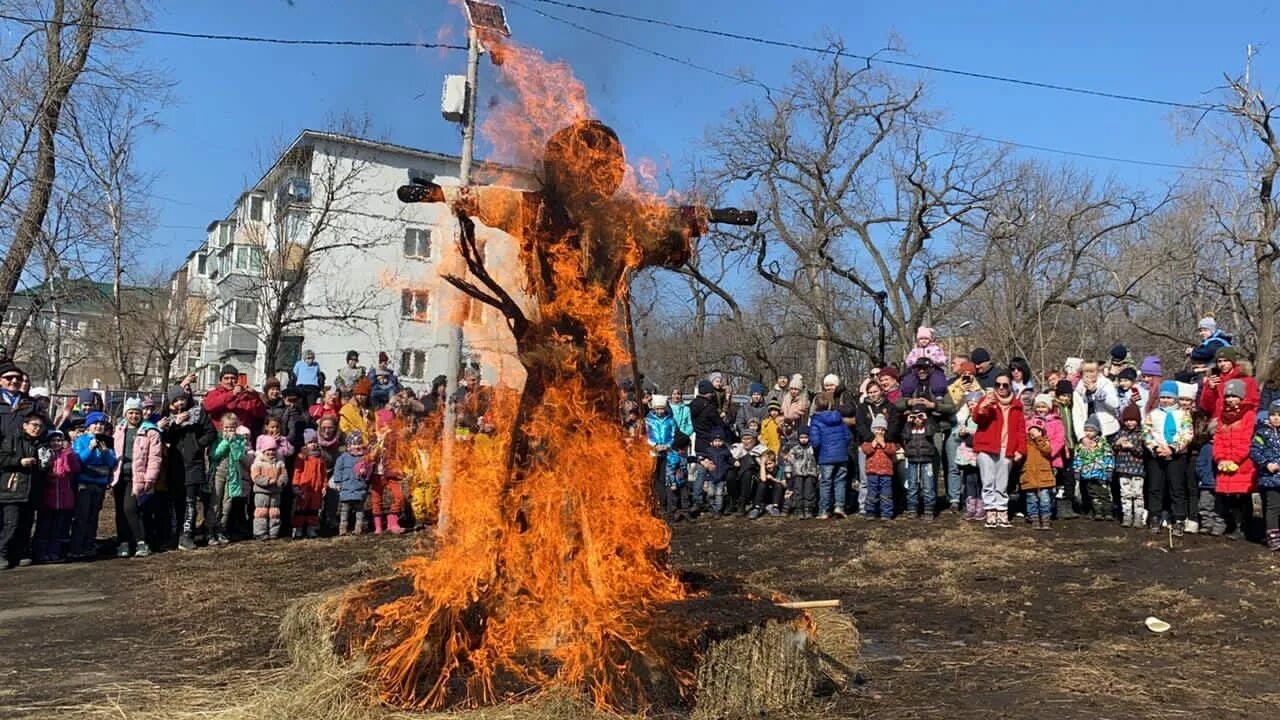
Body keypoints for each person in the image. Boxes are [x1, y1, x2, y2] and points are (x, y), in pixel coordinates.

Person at [160, 386, 217, 551]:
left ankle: (187, 535)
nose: (179, 403)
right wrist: (175, 425)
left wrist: (197, 445)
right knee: (175, 501)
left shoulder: (198, 413)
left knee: (190, 501)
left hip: (194, 464)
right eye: (175, 400)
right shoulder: (168, 417)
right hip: (175, 464)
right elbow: (163, 437)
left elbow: (211, 432)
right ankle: (174, 534)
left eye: (181, 399)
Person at [973, 373, 1026, 529]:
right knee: (988, 480)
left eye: (1005, 385)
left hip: (1006, 448)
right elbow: (978, 418)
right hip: (986, 447)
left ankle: (1002, 510)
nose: (1001, 388)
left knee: (1002, 483)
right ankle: (990, 511)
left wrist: (1021, 450)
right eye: (998, 385)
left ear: (1010, 386)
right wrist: (984, 406)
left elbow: (1021, 430)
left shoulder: (1017, 405)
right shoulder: (988, 401)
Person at [111, 398, 162, 558]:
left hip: (137, 475)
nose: (134, 416)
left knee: (130, 508)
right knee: (120, 511)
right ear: (126, 414)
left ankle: (141, 541)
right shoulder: (119, 429)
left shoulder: (150, 431)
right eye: (131, 413)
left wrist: (150, 478)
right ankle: (124, 542)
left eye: (137, 413)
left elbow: (155, 457)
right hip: (119, 475)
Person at [1142, 381, 1193, 534]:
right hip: (1156, 455)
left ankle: (1178, 518)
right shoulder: (1153, 415)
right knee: (1155, 487)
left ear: (1176, 398)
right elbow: (1146, 433)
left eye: (1169, 398)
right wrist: (1156, 447)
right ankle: (1155, 516)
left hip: (1176, 456)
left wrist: (1172, 448)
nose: (1166, 400)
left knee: (1176, 487)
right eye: (1163, 397)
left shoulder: (1183, 415)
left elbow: (1187, 433)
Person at [0, 411, 45, 569]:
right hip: (13, 487)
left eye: (40, 426)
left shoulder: (41, 444)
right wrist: (19, 461)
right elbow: (2, 458)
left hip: (32, 489)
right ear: (25, 425)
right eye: (34, 425)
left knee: (26, 524)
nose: (37, 429)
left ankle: (21, 552)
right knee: (10, 523)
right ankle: (2, 552)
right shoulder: (13, 439)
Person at [1212, 379, 1256, 540]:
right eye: (1228, 396)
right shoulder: (1223, 416)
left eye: (1234, 396)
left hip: (1241, 463)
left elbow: (1246, 440)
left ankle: (1245, 527)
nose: (1230, 399)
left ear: (1241, 397)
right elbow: (1218, 439)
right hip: (1225, 462)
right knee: (1229, 496)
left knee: (1243, 495)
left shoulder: (1249, 415)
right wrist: (1220, 458)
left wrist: (1235, 460)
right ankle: (1234, 524)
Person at [69, 412, 116, 559]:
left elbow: (111, 462)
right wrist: (90, 448)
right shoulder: (81, 440)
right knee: (81, 516)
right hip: (84, 483)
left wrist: (105, 452)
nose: (98, 426)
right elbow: (79, 461)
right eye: (95, 424)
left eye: (101, 424)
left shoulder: (107, 441)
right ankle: (76, 547)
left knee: (93, 516)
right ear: (89, 426)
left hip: (100, 484)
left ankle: (89, 545)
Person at [32, 430, 78, 563]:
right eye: (53, 440)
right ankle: (40, 552)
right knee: (44, 527)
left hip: (63, 497)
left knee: (58, 527)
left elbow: (74, 468)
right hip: (48, 497)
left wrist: (69, 453)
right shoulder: (46, 454)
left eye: (59, 440)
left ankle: (54, 551)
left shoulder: (67, 455)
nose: (56, 443)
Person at [208, 414, 252, 547]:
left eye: (232, 427)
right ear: (222, 427)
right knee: (215, 502)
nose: (229, 430)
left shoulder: (239, 440)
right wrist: (226, 441)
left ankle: (222, 529)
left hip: (232, 476)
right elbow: (215, 454)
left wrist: (233, 442)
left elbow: (239, 455)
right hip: (219, 473)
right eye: (226, 427)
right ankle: (211, 531)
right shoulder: (218, 439)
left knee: (227, 504)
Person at [808, 393, 851, 520]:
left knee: (825, 483)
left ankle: (824, 511)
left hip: (826, 456)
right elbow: (848, 436)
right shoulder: (839, 418)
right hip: (841, 455)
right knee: (840, 481)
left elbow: (815, 442)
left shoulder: (816, 420)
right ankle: (839, 507)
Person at [1249, 400, 1280, 551]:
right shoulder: (1262, 432)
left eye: (1279, 415)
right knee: (1273, 507)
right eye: (1273, 414)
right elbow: (1254, 451)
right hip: (1270, 478)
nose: (1276, 418)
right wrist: (1267, 463)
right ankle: (1273, 537)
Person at [364, 427, 406, 535]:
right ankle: (378, 526)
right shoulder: (371, 441)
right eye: (381, 427)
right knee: (376, 500)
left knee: (399, 496)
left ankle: (392, 521)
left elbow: (400, 454)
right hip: (376, 476)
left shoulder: (392, 440)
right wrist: (375, 451)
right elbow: (367, 459)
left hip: (390, 474)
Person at [1199, 347, 1259, 421]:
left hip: (1240, 421)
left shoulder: (1247, 380)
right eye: (1219, 361)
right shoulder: (1213, 380)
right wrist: (1210, 389)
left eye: (1226, 361)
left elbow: (1254, 403)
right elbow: (1206, 407)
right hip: (1217, 422)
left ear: (1233, 361)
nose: (1222, 364)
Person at [1073, 415, 1115, 522]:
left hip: (1101, 473)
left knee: (1104, 493)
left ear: (1097, 431)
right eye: (1086, 430)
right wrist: (1077, 470)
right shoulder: (1081, 445)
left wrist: (1109, 469)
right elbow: (1077, 457)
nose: (1088, 433)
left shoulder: (1102, 443)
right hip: (1087, 473)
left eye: (1091, 430)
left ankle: (1108, 511)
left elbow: (1108, 456)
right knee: (1093, 494)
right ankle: (1098, 512)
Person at [203, 364, 267, 432]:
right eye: (226, 378)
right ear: (221, 381)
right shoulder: (214, 393)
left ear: (237, 380)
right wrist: (232, 394)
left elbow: (261, 413)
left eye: (233, 378)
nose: (229, 381)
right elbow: (208, 407)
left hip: (241, 437)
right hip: (220, 436)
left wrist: (254, 396)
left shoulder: (246, 395)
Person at [1113, 404, 1147, 529]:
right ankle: (1127, 515)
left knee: (1137, 494)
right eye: (1126, 420)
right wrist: (1118, 443)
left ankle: (1138, 516)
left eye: (1132, 420)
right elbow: (1113, 448)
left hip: (1137, 469)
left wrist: (1132, 447)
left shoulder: (1141, 434)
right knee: (1125, 493)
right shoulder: (1121, 433)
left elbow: (1143, 452)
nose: (1129, 423)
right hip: (1123, 468)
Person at [291, 429, 328, 539]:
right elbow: (297, 472)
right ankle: (298, 529)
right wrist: (296, 485)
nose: (313, 444)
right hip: (304, 489)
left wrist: (324, 486)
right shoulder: (302, 457)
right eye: (310, 442)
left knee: (314, 509)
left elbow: (324, 473)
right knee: (301, 509)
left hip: (316, 489)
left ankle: (311, 528)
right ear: (306, 444)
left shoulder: (320, 458)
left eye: (315, 442)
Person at [901, 408, 937, 519]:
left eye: (920, 417)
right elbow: (905, 436)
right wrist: (908, 422)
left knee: (928, 486)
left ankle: (929, 509)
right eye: (914, 417)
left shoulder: (927, 428)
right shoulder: (909, 429)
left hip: (927, 460)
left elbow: (931, 432)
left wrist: (926, 420)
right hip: (912, 460)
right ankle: (912, 509)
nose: (917, 420)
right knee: (912, 485)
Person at [332, 430, 370, 535]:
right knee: (344, 510)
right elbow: (338, 470)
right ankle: (343, 528)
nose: (357, 447)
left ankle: (358, 527)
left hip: (359, 488)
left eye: (359, 444)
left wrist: (365, 472)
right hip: (346, 488)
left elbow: (369, 471)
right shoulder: (343, 458)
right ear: (348, 445)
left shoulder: (364, 457)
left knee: (360, 510)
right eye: (354, 444)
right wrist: (338, 482)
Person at [250, 435, 288, 540]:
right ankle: (260, 532)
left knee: (274, 512)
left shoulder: (280, 463)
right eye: (268, 450)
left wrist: (281, 481)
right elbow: (255, 477)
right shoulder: (258, 463)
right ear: (263, 451)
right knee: (261, 512)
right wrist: (267, 481)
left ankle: (273, 532)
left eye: (273, 450)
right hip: (262, 492)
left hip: (276, 492)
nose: (271, 452)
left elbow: (284, 475)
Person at [861, 415, 897, 520]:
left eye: (882, 430)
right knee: (872, 493)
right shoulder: (869, 442)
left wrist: (883, 444)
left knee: (886, 493)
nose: (880, 432)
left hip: (886, 473)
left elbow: (892, 451)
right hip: (872, 472)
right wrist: (873, 444)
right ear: (873, 430)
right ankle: (871, 511)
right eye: (877, 429)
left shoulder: (888, 442)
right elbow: (865, 450)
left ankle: (886, 513)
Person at [1022, 418, 1056, 531]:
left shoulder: (1045, 442)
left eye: (1038, 430)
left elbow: (1047, 451)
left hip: (1043, 476)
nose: (1035, 433)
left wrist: (1038, 439)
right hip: (1029, 475)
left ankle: (1046, 518)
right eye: (1032, 430)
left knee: (1045, 498)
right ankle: (1034, 517)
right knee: (1031, 498)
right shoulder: (1026, 443)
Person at [696, 430, 732, 515]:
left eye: (720, 441)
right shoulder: (708, 451)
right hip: (711, 477)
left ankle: (718, 510)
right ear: (712, 442)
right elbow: (700, 456)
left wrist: (728, 467)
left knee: (719, 494)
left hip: (721, 476)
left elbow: (730, 461)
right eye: (716, 441)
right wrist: (702, 460)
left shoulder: (726, 451)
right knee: (710, 493)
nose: (718, 443)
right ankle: (712, 507)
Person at [784, 429, 818, 518]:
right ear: (798, 438)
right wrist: (788, 471)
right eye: (801, 437)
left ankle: (808, 509)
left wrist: (819, 472)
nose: (803, 439)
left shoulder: (813, 448)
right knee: (798, 491)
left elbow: (817, 461)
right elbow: (789, 461)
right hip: (798, 473)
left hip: (811, 473)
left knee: (809, 491)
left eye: (806, 437)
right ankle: (798, 509)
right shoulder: (794, 449)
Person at [746, 450, 785, 519]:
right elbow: (763, 479)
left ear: (775, 463)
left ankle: (775, 508)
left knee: (778, 485)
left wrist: (773, 479)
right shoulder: (762, 470)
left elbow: (784, 484)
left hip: (775, 496)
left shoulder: (780, 469)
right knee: (762, 484)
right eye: (766, 464)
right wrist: (762, 465)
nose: (768, 466)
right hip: (763, 495)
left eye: (770, 463)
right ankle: (757, 508)